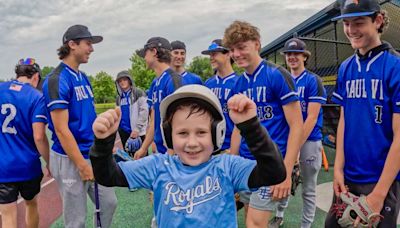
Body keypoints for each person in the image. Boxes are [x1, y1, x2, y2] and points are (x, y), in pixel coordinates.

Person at [89, 84, 287, 227]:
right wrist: (103, 142)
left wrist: (251, 127)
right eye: (182, 133)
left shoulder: (227, 167)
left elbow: (274, 173)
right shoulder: (159, 166)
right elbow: (108, 175)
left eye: (201, 132)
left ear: (217, 133)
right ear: (168, 135)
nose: (192, 143)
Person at [325, 0, 400, 227]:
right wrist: (337, 169)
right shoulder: (346, 67)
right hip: (348, 178)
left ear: (377, 20)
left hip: (379, 181)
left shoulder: (394, 66)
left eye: (358, 22)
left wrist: (378, 195)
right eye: (346, 23)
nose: (351, 30)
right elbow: (344, 121)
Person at [223, 20, 304, 227]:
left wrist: (285, 171)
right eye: (232, 50)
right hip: (246, 165)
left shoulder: (276, 74)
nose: (237, 54)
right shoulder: (239, 84)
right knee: (249, 215)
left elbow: (296, 125)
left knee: (255, 224)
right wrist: (230, 164)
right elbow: (237, 130)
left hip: (271, 163)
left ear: (257, 44)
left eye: (242, 47)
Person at [42, 24, 117, 228]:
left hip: (91, 152)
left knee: (109, 203)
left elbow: (89, 116)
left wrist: (103, 145)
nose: (91, 49)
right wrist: (82, 165)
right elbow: (61, 129)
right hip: (69, 158)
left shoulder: (83, 77)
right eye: (88, 43)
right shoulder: (57, 79)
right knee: (76, 220)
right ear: (72, 44)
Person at [276, 38, 327, 228]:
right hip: (286, 140)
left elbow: (311, 118)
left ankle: (305, 225)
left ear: (304, 57)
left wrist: (295, 147)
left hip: (309, 140)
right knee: (283, 178)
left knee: (308, 188)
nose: (292, 57)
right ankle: (279, 215)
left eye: (296, 54)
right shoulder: (281, 79)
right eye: (289, 54)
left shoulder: (313, 80)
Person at [0, 58, 49, 228]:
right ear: (35, 76)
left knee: (7, 214)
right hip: (28, 166)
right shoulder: (36, 96)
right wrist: (50, 162)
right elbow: (39, 136)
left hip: (3, 166)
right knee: (31, 204)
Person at [134, 37, 200, 159]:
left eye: (145, 54)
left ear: (154, 52)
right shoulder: (155, 83)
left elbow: (182, 121)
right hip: (162, 151)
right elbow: (154, 120)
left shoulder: (173, 80)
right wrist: (143, 148)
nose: (144, 58)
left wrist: (172, 152)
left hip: (175, 153)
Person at [202, 38, 239, 154]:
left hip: (230, 147)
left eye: (214, 54)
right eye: (210, 55)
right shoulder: (208, 84)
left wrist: (234, 150)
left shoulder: (239, 83)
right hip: (210, 146)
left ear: (228, 54)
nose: (211, 58)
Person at [115, 70, 148, 156]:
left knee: (142, 157)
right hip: (124, 131)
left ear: (129, 80)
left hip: (136, 131)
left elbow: (144, 111)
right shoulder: (119, 97)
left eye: (124, 80)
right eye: (120, 81)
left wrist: (137, 129)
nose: (122, 82)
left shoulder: (138, 92)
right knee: (128, 157)